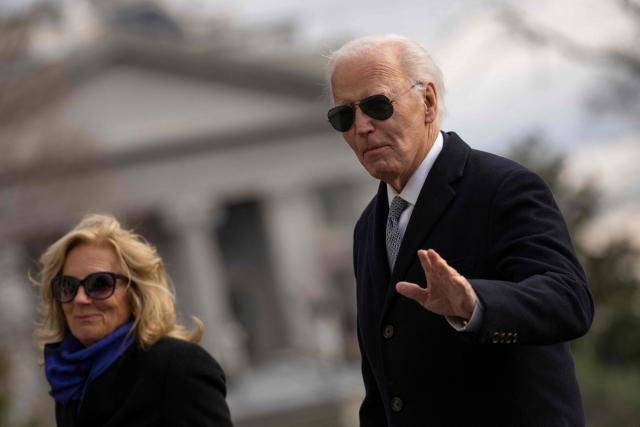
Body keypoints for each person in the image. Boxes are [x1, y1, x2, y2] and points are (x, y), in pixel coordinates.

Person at [326, 35, 594, 426]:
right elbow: (381, 386)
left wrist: (475, 305)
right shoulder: (368, 227)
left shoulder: (502, 187)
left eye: (377, 105)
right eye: (344, 116)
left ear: (428, 102)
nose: (362, 127)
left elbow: (570, 301)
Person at [33, 214, 233, 427]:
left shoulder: (177, 366)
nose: (80, 299)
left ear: (136, 292)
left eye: (100, 284)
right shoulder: (71, 380)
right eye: (68, 286)